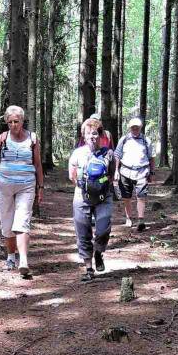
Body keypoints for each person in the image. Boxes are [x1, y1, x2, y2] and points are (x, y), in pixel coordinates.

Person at [0, 105, 44, 279]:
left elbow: (37, 164)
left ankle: (23, 261)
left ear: (22, 121)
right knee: (7, 223)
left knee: (22, 222)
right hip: (5, 186)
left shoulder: (32, 138)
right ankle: (11, 258)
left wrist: (40, 187)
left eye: (16, 121)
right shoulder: (3, 138)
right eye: (10, 122)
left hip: (27, 185)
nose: (13, 125)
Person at [69, 117, 116, 282]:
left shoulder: (109, 154)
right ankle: (89, 269)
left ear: (100, 135)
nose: (92, 137)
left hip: (104, 196)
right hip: (81, 196)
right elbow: (72, 176)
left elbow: (111, 175)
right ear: (83, 135)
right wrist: (86, 186)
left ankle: (99, 252)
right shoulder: (77, 153)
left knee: (103, 228)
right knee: (82, 231)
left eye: (95, 133)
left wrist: (99, 186)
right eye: (88, 133)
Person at [114, 118, 156, 231]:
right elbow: (117, 155)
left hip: (142, 172)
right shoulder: (124, 139)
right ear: (130, 128)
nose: (135, 129)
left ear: (140, 128)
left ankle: (141, 220)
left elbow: (152, 157)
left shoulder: (146, 140)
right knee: (126, 197)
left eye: (137, 127)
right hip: (125, 171)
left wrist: (152, 172)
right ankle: (128, 218)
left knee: (141, 196)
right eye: (133, 127)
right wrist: (116, 170)